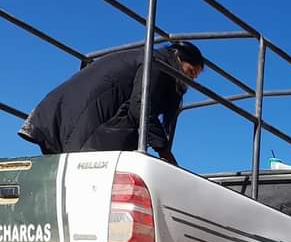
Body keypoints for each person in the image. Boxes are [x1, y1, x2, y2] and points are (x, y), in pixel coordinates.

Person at [18, 41, 205, 166]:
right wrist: (164, 152)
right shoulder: (157, 65)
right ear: (177, 58)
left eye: (194, 77)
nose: (190, 80)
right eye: (190, 72)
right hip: (81, 123)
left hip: (57, 116)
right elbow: (141, 107)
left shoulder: (144, 58)